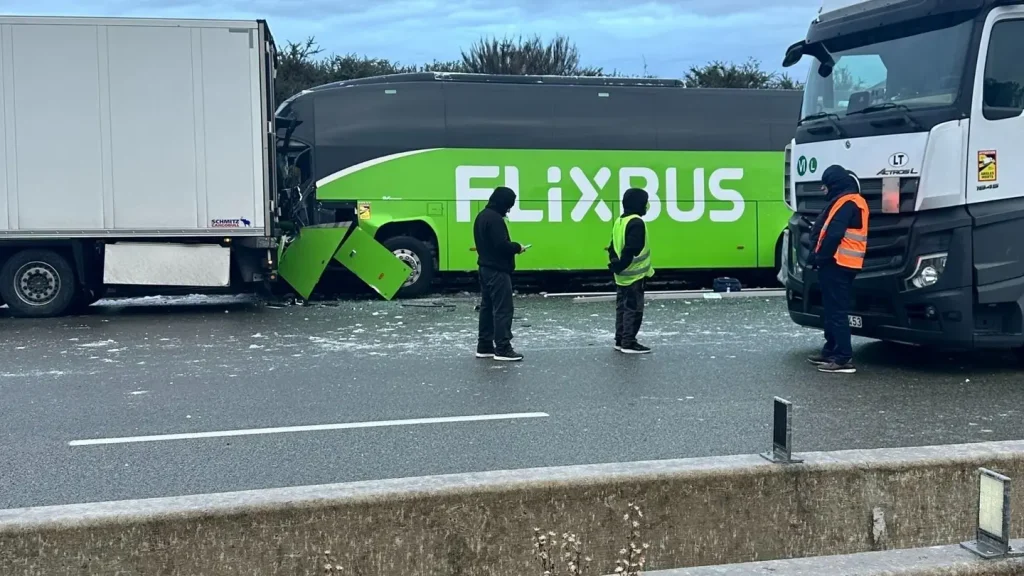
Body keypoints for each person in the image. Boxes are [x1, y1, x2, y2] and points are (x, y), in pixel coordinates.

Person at [807, 165, 869, 374]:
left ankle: (843, 358)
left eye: (826, 185)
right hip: (840, 263)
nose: (824, 190)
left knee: (837, 311)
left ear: (834, 184)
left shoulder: (847, 203)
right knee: (832, 309)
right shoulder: (847, 201)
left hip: (838, 263)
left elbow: (834, 234)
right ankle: (830, 351)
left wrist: (820, 257)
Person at [473, 186, 527, 361]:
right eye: (509, 205)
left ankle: (484, 346)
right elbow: (501, 245)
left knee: (487, 308)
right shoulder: (495, 219)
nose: (509, 209)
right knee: (503, 309)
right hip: (497, 270)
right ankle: (503, 348)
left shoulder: (481, 216)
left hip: (484, 268)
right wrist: (517, 247)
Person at [608, 187, 654, 354]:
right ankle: (629, 342)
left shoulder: (620, 221)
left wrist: (615, 265)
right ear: (640, 204)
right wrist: (622, 265)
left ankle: (620, 340)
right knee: (633, 309)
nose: (647, 205)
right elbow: (632, 249)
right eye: (645, 202)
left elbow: (612, 246)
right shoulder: (636, 222)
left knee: (622, 308)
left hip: (621, 276)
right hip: (634, 275)